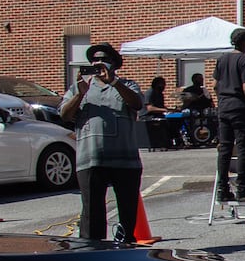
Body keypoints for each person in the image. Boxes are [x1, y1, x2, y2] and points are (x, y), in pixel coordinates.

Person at [58, 42, 145, 244]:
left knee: (127, 210)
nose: (99, 63)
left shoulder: (127, 85)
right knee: (92, 211)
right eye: (95, 60)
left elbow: (137, 103)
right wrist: (80, 93)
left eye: (104, 59)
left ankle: (125, 248)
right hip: (91, 160)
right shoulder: (79, 88)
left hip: (125, 161)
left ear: (114, 64)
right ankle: (92, 251)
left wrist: (114, 82)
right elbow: (64, 115)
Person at [213, 27, 245, 203]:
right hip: (240, 108)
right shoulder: (244, 60)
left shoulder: (222, 59)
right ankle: (241, 188)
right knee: (242, 148)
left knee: (224, 149)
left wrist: (223, 101)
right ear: (244, 42)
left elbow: (215, 85)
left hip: (224, 107)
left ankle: (222, 188)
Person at [143, 75, 183, 148]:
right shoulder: (150, 93)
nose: (164, 86)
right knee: (166, 123)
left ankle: (175, 140)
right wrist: (166, 110)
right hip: (148, 117)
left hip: (158, 115)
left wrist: (172, 110)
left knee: (175, 121)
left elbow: (161, 107)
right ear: (156, 84)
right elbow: (150, 108)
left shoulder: (160, 94)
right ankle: (166, 142)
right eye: (162, 84)